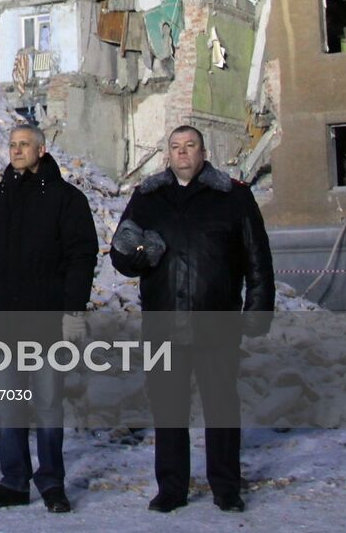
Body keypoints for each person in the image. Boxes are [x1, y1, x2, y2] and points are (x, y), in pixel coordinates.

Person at [110, 125, 275, 514]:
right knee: (168, 408)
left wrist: (257, 311)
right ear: (167, 154)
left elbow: (257, 259)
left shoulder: (232, 196)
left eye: (190, 146)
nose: (183, 152)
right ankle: (171, 488)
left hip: (216, 323)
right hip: (163, 324)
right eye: (176, 147)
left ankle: (226, 487)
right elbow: (120, 254)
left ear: (203, 152)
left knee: (221, 406)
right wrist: (138, 253)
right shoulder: (148, 197)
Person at [0, 125, 98, 512]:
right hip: (4, 320)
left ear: (41, 149)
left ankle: (52, 481)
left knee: (49, 402)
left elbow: (81, 257)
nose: (17, 150)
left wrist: (73, 310)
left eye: (24, 145)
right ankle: (14, 481)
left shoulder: (66, 200)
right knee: (10, 403)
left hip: (47, 322)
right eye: (12, 145)